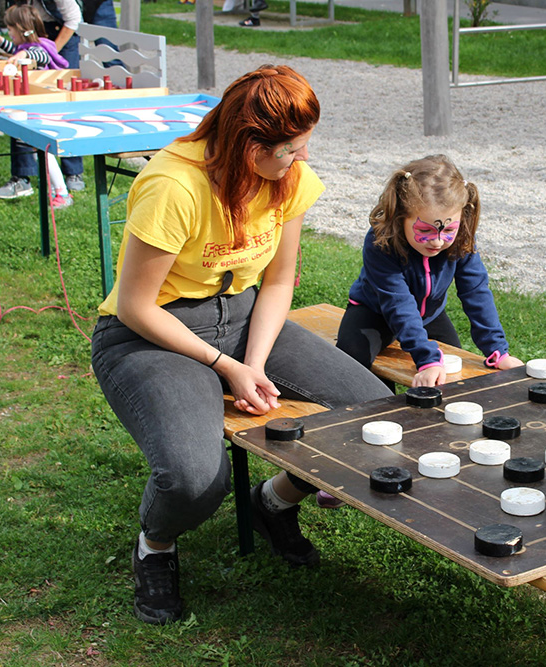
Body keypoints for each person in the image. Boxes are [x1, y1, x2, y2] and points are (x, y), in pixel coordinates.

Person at [90, 65, 391, 625]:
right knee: (194, 480)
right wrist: (226, 367)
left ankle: (272, 504)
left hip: (246, 318)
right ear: (250, 145)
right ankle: (155, 546)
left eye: (304, 148)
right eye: (290, 151)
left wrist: (252, 362)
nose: (300, 161)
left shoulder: (289, 179)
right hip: (150, 334)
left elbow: (278, 281)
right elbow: (136, 304)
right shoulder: (173, 186)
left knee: (377, 419)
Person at [336, 154, 524, 389]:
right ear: (400, 216)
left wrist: (498, 351)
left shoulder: (461, 240)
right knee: (352, 359)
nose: (437, 241)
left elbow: (476, 293)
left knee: (452, 373)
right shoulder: (381, 242)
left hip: (430, 317)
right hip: (375, 313)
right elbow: (397, 303)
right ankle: (379, 409)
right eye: (425, 230)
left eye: (448, 230)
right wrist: (425, 358)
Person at [0, 0, 86, 197]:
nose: (8, 33)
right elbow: (17, 44)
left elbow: (40, 52)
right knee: (26, 140)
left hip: (45, 101)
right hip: (34, 101)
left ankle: (64, 186)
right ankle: (24, 179)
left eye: (9, 30)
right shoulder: (30, 43)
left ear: (19, 30)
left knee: (51, 140)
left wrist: (24, 54)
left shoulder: (39, 47)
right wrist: (0, 42)